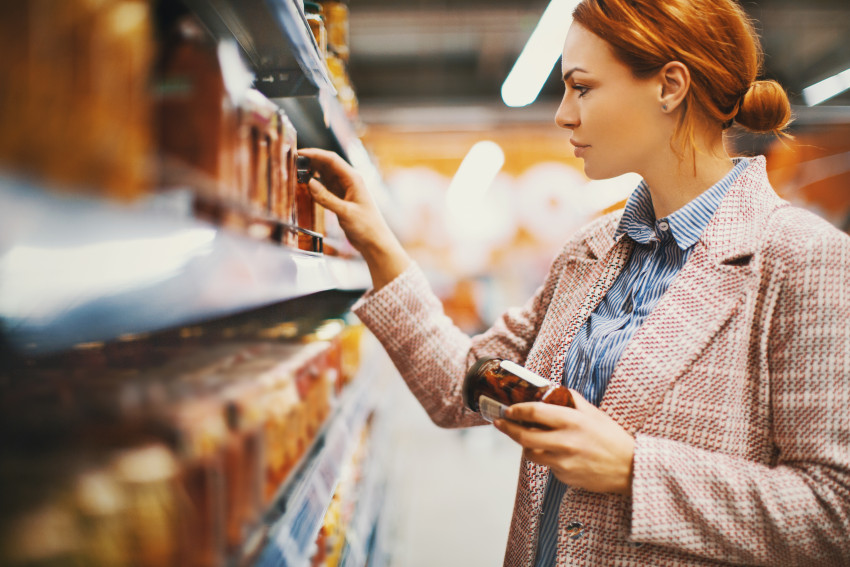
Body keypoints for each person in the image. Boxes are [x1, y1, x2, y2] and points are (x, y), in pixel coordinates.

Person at [299, 0, 850, 564]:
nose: (563, 115)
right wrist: (375, 242)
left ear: (670, 86)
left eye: (581, 88)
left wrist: (635, 470)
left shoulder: (804, 260)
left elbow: (836, 514)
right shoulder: (591, 250)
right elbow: (459, 389)